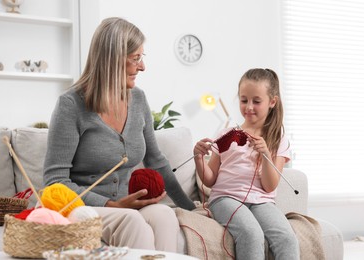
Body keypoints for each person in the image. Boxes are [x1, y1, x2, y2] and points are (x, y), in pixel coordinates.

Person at [43, 17, 195, 252]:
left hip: (127, 206)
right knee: (133, 222)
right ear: (112, 60)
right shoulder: (71, 105)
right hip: (84, 208)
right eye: (135, 59)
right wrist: (110, 203)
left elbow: (156, 161)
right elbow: (55, 182)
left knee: (165, 215)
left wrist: (191, 209)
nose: (142, 67)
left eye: (142, 58)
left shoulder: (139, 100)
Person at [193, 68, 299, 259]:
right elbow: (210, 180)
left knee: (287, 238)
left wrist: (265, 154)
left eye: (256, 101)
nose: (249, 107)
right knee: (251, 234)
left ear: (272, 102)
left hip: (261, 202)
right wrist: (198, 158)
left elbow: (269, 186)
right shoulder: (226, 134)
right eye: (244, 100)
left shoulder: (278, 139)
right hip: (225, 199)